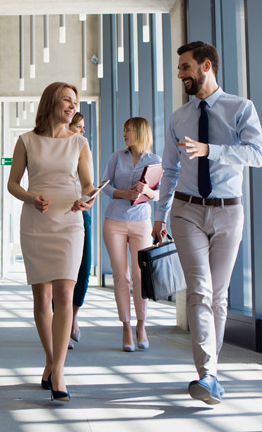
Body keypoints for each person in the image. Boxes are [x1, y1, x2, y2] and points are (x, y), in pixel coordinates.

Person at [152, 41, 262, 405]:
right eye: (180, 69)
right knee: (199, 290)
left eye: (185, 67)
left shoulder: (240, 108)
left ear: (206, 66)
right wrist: (159, 215)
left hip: (229, 210)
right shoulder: (178, 117)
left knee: (218, 295)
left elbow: (257, 154)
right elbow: (168, 170)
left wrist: (210, 150)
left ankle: (211, 369)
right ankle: (207, 374)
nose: (181, 74)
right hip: (186, 210)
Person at [7, 82, 96, 402]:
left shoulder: (80, 143)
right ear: (51, 103)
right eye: (67, 101)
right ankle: (49, 359)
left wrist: (87, 200)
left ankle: (58, 368)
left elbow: (88, 185)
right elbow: (13, 184)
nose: (73, 106)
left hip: (70, 224)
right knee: (42, 298)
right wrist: (31, 197)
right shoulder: (26, 141)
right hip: (36, 222)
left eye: (75, 101)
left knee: (64, 293)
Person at [101, 117, 161, 352]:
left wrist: (147, 191)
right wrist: (121, 193)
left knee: (139, 276)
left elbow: (160, 194)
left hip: (141, 223)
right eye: (124, 129)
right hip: (114, 221)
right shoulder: (117, 157)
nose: (124, 133)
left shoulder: (155, 161)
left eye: (128, 130)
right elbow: (104, 185)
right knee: (121, 276)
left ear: (141, 132)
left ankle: (141, 326)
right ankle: (126, 326)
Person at [67, 113, 92, 348]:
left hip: (81, 213)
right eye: (79, 127)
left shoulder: (83, 149)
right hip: (59, 216)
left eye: (84, 127)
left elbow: (88, 185)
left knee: (83, 269)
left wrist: (88, 198)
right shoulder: (57, 151)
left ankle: (73, 318)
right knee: (62, 273)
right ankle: (62, 325)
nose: (82, 132)